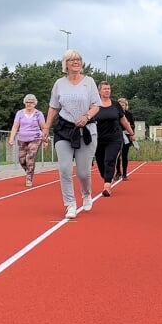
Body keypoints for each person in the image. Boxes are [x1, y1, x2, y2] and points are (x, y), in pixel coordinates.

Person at [40, 50, 101, 219]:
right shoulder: (59, 83)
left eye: (79, 59)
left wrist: (87, 116)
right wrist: (46, 128)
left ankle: (86, 193)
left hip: (87, 130)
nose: (76, 62)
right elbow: (53, 107)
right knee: (65, 168)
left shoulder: (89, 82)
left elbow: (97, 105)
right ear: (65, 63)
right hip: (64, 130)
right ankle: (70, 204)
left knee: (83, 172)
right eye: (72, 60)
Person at [91, 81, 135, 197]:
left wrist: (131, 133)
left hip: (115, 138)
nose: (107, 91)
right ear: (99, 91)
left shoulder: (116, 105)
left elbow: (124, 120)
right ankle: (106, 176)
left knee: (109, 160)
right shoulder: (94, 105)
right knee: (101, 162)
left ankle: (107, 185)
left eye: (109, 89)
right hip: (99, 139)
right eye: (105, 89)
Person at [8, 93, 46, 188]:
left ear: (35, 104)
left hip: (35, 138)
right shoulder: (20, 113)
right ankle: (30, 171)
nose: (29, 104)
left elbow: (43, 127)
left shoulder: (38, 114)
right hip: (22, 138)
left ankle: (29, 177)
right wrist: (11, 138)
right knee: (22, 160)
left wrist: (45, 141)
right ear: (24, 103)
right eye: (27, 102)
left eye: (31, 102)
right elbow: (15, 126)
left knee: (30, 157)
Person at [114, 97, 136, 181]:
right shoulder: (115, 114)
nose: (122, 106)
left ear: (126, 106)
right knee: (117, 156)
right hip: (117, 136)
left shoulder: (129, 114)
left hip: (126, 136)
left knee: (124, 155)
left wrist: (131, 133)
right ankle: (118, 172)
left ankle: (124, 173)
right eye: (120, 105)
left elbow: (133, 125)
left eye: (123, 105)